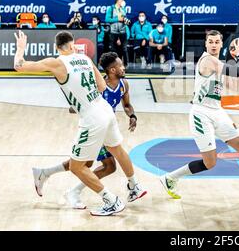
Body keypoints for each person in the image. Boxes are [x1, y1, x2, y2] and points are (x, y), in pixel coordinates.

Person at [14, 30, 145, 216]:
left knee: (78, 167)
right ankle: (134, 186)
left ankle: (111, 201)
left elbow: (19, 66)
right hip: (106, 110)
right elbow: (101, 87)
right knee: (116, 150)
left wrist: (20, 49)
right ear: (73, 45)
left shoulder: (57, 62)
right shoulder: (85, 59)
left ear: (57, 47)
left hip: (91, 117)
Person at [159, 30, 239, 200]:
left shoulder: (219, 63)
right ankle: (170, 178)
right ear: (206, 44)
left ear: (222, 44)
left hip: (217, 111)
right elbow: (236, 71)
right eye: (211, 42)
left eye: (217, 42)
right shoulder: (208, 60)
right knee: (210, 162)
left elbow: (234, 85)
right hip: (201, 113)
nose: (214, 45)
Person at [106, 0, 131, 66]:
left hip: (123, 32)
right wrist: (117, 19)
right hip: (113, 32)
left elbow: (124, 19)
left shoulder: (123, 9)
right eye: (122, 0)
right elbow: (107, 19)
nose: (123, 1)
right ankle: (113, 64)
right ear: (118, 0)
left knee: (124, 49)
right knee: (113, 50)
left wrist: (126, 21)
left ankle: (126, 65)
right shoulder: (111, 8)